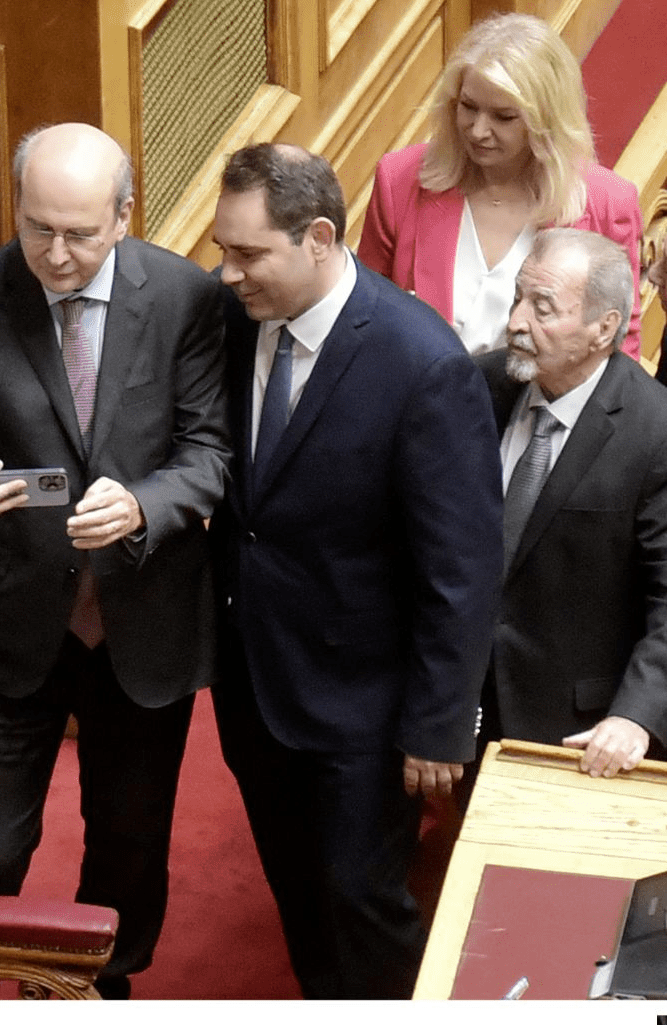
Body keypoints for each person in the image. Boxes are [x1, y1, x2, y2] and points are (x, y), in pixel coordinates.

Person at [0, 122, 230, 999]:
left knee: (129, 842)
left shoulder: (187, 297)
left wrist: (144, 504)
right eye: (39, 228)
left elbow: (210, 452)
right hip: (9, 613)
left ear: (124, 216)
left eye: (80, 233)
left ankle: (96, 990)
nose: (58, 254)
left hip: (143, 617)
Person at [209, 143, 502, 999]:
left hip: (364, 705)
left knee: (362, 900)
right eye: (223, 250)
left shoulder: (423, 363)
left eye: (248, 253)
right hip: (255, 684)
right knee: (300, 892)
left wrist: (440, 723)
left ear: (319, 238)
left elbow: (462, 566)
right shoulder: (234, 320)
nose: (228, 274)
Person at [477, 227, 667, 778]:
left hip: (580, 734)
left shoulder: (655, 430)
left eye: (542, 308)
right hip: (460, 709)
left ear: (604, 327)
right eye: (517, 298)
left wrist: (636, 715)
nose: (516, 322)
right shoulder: (479, 387)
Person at [358, 12, 642, 357]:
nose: (478, 131)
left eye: (503, 117)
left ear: (547, 120)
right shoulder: (400, 179)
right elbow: (364, 318)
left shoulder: (608, 204)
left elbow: (617, 351)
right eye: (468, 107)